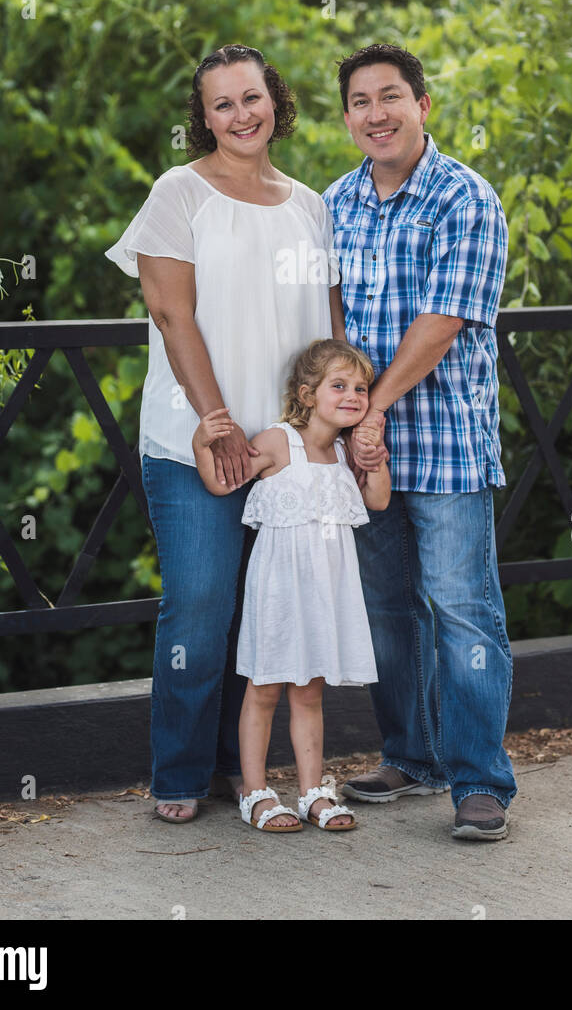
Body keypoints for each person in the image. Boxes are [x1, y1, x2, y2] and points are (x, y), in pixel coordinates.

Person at [104, 44, 371, 824]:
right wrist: (214, 420)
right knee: (200, 604)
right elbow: (170, 312)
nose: (240, 115)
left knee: (263, 612)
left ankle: (238, 770)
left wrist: (331, 428)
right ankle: (181, 773)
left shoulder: (309, 204)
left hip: (287, 455)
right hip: (197, 442)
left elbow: (328, 331)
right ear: (205, 117)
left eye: (250, 97)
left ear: (274, 101)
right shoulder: (176, 194)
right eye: (221, 104)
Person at [322, 41, 517, 840]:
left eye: (391, 96)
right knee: (386, 610)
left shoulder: (466, 199)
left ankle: (479, 783)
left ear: (422, 105)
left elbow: (439, 325)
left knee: (461, 609)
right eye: (361, 101)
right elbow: (328, 311)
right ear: (346, 119)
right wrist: (345, 414)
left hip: (443, 442)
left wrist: (372, 407)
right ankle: (410, 756)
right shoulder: (332, 202)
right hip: (362, 449)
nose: (377, 113)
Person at [191, 339, 391, 832]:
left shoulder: (346, 452)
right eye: (338, 386)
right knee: (263, 688)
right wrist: (201, 444)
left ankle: (311, 793)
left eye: (361, 389)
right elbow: (222, 483)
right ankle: (256, 793)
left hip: (325, 591)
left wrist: (376, 456)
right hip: (279, 588)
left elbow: (380, 500)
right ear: (306, 393)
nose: (353, 395)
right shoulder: (280, 441)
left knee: (309, 691)